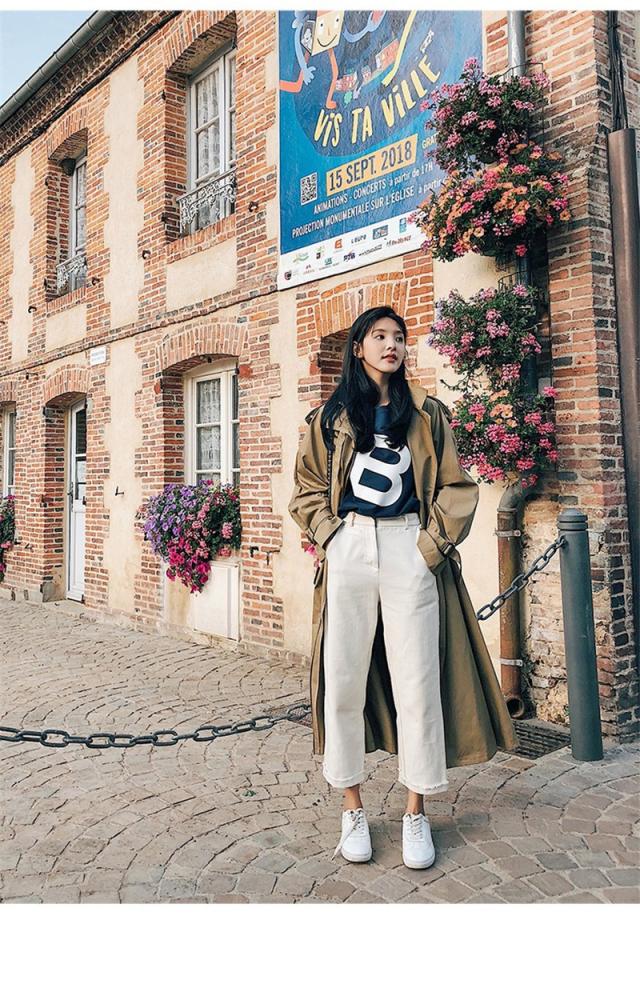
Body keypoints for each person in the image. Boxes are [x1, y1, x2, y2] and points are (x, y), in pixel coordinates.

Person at [288, 304, 518, 869]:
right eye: (379, 336)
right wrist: (332, 537)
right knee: (343, 679)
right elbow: (307, 489)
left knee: (418, 679)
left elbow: (456, 487)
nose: (391, 345)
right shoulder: (329, 417)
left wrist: (429, 548)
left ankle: (416, 811)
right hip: (350, 547)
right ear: (359, 347)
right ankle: (352, 807)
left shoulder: (426, 413)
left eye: (398, 336)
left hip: (408, 547)